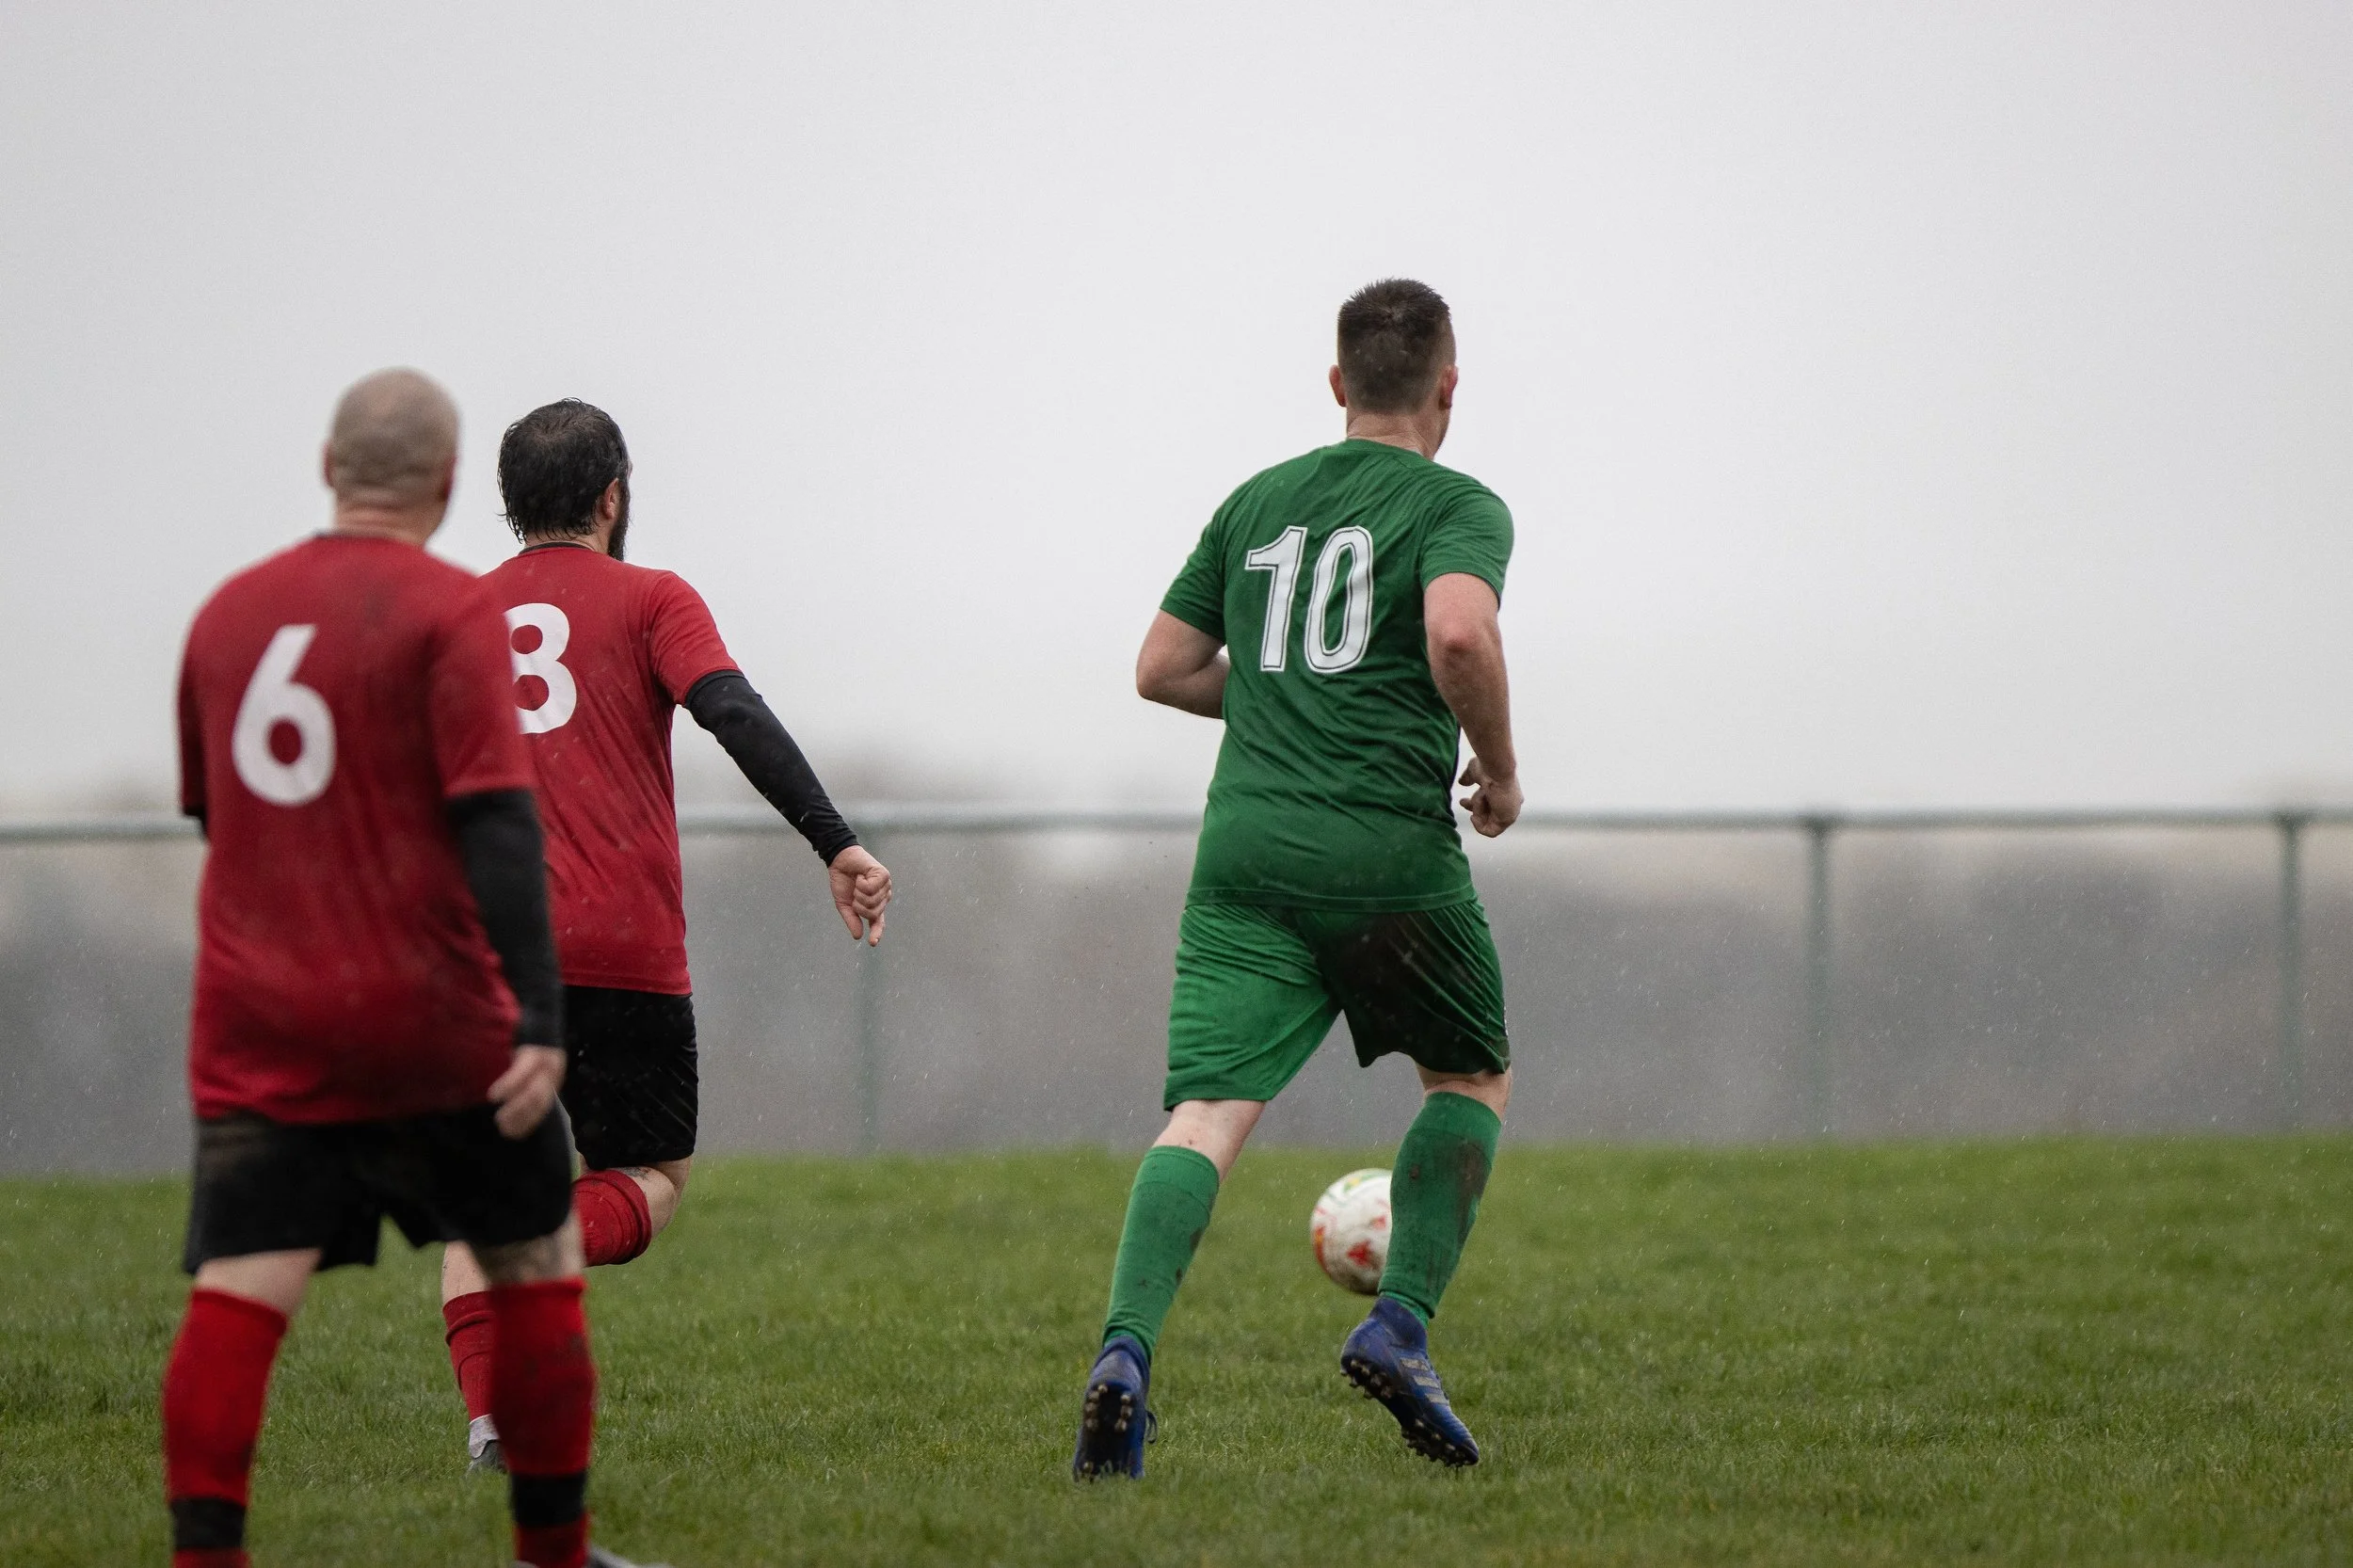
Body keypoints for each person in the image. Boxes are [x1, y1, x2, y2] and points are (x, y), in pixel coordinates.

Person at [164, 370, 661, 1568]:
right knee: (536, 1254)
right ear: (446, 489)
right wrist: (537, 1015)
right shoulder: (449, 616)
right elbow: (499, 830)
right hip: (430, 1012)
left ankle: (203, 1556)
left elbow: (211, 814)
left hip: (262, 1015)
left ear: (327, 470)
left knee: (241, 1288)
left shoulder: (225, 617)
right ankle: (553, 1548)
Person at [1072, 280, 1521, 1479]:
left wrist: (1280, 695)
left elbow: (1162, 668)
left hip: (1245, 858)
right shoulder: (1458, 504)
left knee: (1207, 1116)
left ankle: (1124, 1352)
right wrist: (1502, 769)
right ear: (1448, 386)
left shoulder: (1256, 502)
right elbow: (1461, 637)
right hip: (1382, 853)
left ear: (1335, 385)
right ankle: (1400, 1322)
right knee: (1469, 1076)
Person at [438, 398, 893, 1472]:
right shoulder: (651, 598)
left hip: (488, 958)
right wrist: (834, 841)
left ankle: (489, 1425)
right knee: (653, 1176)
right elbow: (730, 711)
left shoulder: (452, 616)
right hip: (620, 948)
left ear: (508, 507)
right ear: (611, 498)